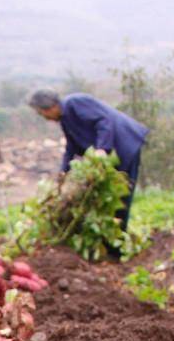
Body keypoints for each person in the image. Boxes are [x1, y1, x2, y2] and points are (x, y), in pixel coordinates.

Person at [28, 89, 148, 234]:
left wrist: (102, 149)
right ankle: (111, 235)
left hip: (125, 143)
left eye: (42, 113)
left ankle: (118, 237)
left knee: (121, 194)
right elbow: (71, 147)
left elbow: (103, 120)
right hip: (112, 153)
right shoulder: (65, 120)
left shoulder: (75, 103)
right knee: (106, 197)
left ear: (50, 106)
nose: (45, 118)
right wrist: (63, 172)